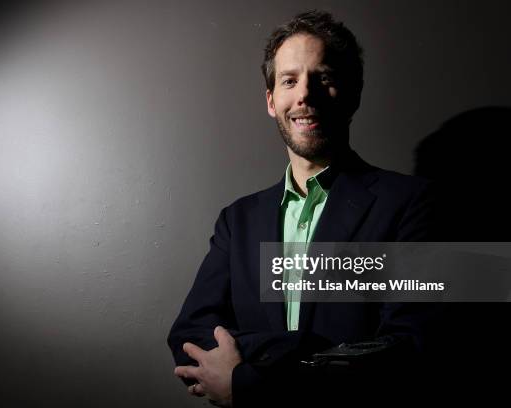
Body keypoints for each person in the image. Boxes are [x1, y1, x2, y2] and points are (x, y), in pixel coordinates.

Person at [168, 10, 436, 407]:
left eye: (323, 78)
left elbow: (411, 347)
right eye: (289, 81)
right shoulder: (237, 221)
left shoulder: (412, 204)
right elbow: (189, 334)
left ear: (352, 95)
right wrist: (307, 352)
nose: (304, 95)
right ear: (272, 101)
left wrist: (250, 382)